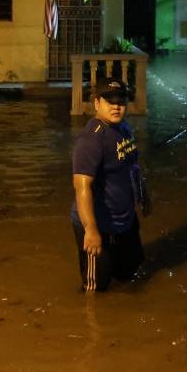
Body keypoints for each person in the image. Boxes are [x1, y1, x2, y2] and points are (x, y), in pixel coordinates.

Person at [71, 77, 150, 292]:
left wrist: (143, 195)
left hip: (124, 218)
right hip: (98, 224)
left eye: (121, 102)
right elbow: (82, 186)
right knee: (95, 287)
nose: (116, 106)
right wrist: (91, 230)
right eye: (110, 101)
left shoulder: (124, 128)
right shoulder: (91, 139)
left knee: (130, 270)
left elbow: (132, 165)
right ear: (97, 103)